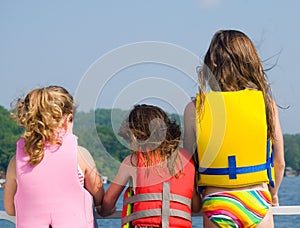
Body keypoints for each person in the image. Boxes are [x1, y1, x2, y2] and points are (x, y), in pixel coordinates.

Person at [183, 30, 285, 228]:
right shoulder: (266, 104)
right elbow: (279, 163)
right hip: (257, 199)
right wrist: (273, 195)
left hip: (217, 201)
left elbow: (188, 165)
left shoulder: (195, 108)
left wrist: (195, 199)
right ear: (250, 62)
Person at [4, 85, 104, 228]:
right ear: (68, 119)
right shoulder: (80, 155)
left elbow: (10, 208)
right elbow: (99, 196)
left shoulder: (17, 161)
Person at [100, 104, 201, 228]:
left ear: (135, 137)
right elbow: (196, 207)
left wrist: (105, 210)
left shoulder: (133, 161)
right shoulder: (186, 159)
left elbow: (107, 203)